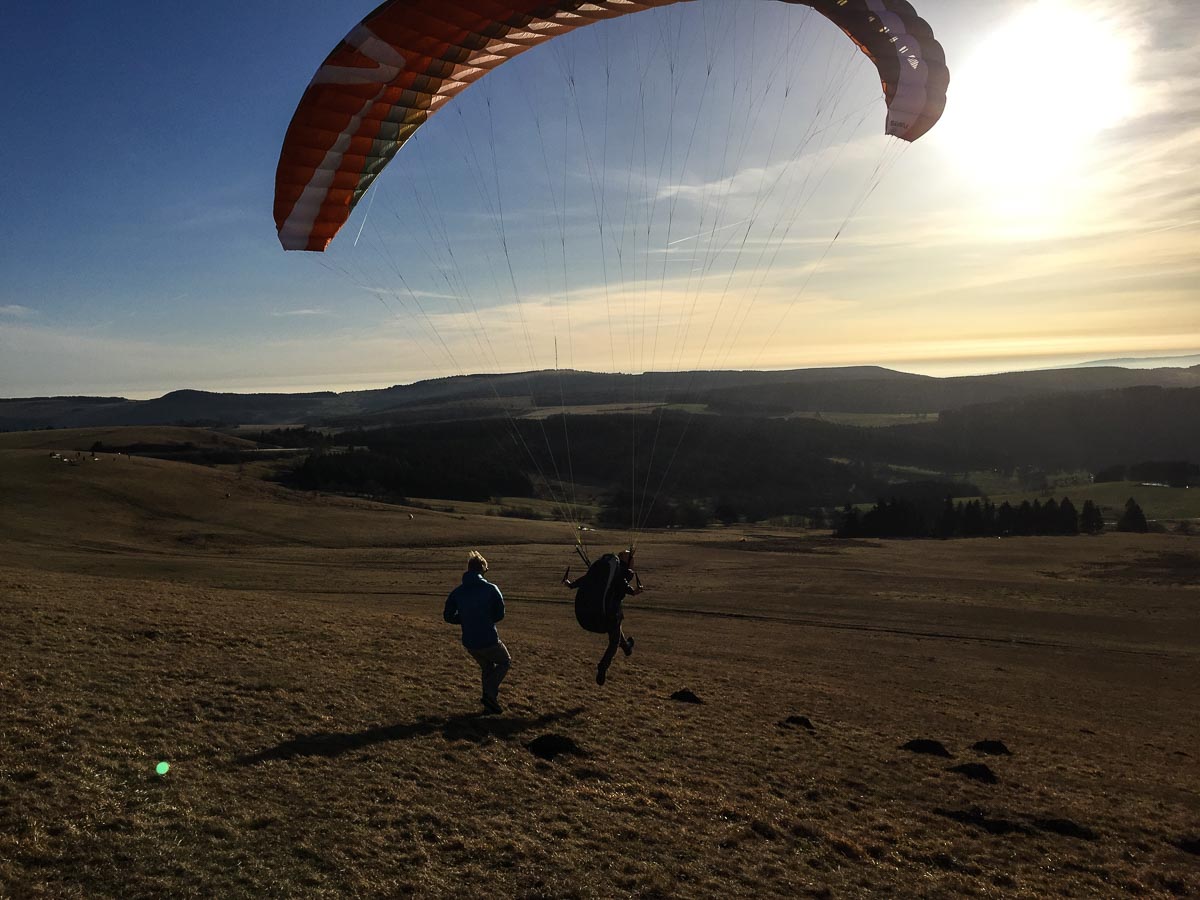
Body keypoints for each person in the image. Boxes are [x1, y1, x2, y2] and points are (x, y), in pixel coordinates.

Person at [564, 548, 643, 686]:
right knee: (614, 641)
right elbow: (627, 588)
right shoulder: (620, 573)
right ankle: (603, 666)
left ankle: (627, 647)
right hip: (610, 615)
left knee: (617, 631)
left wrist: (571, 584)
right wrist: (636, 591)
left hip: (601, 612)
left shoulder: (605, 570)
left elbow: (586, 579)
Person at [444, 550, 509, 713]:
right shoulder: (491, 589)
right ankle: (489, 695)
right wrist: (485, 619)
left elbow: (448, 616)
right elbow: (500, 614)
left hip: (470, 642)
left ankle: (490, 703)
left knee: (487, 668)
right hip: (488, 639)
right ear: (482, 569)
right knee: (504, 661)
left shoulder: (458, 591)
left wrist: (466, 619)